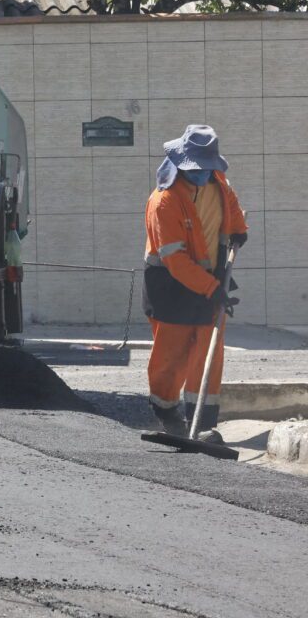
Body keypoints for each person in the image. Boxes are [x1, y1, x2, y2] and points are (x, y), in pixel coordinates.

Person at [143, 125, 247, 444]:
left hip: (210, 280)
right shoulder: (165, 201)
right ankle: (168, 412)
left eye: (207, 168)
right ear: (182, 163)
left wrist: (240, 230)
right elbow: (175, 260)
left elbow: (231, 207)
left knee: (209, 351)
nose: (203, 173)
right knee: (171, 354)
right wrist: (212, 288)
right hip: (170, 284)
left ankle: (202, 421)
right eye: (197, 169)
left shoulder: (219, 182)